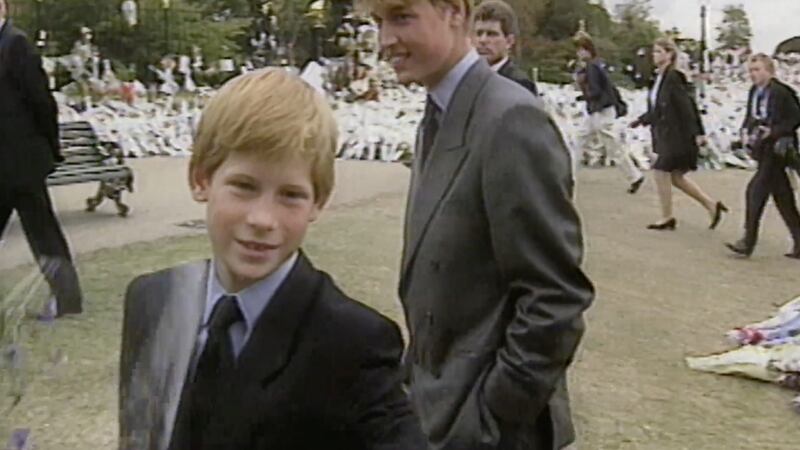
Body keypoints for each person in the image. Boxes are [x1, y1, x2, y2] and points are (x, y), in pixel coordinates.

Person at [118, 69, 426, 450]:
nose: (263, 219)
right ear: (201, 180)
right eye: (244, 187)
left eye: (291, 195)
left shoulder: (354, 342)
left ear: (318, 201)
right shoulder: (153, 300)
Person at [368, 0, 595, 448]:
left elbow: (555, 299)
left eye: (400, 17)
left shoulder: (510, 119)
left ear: (454, 12)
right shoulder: (440, 113)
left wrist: (492, 416)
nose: (385, 41)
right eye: (378, 22)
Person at [0, 0, 83, 318]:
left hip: (21, 161)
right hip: (5, 164)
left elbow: (41, 101)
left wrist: (50, 145)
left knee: (43, 231)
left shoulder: (15, 44)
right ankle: (67, 299)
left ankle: (67, 299)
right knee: (42, 230)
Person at [630, 37, 727, 231]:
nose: (654, 55)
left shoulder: (674, 77)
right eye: (654, 52)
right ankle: (711, 205)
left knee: (660, 171)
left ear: (669, 54)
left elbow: (687, 107)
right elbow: (658, 108)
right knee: (675, 177)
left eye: (659, 51)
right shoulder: (659, 78)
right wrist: (641, 120)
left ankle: (667, 217)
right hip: (667, 134)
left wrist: (698, 133)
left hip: (678, 135)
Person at [726, 54, 800, 258]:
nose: (753, 74)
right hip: (763, 148)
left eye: (757, 70)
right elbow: (751, 115)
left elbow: (795, 118)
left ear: (769, 70)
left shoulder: (782, 92)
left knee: (755, 191)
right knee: (783, 197)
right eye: (751, 70)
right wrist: (744, 132)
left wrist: (774, 131)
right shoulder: (754, 92)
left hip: (777, 149)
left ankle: (748, 241)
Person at [574, 34, 645, 194]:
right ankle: (634, 175)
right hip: (600, 110)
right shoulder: (596, 66)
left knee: (597, 142)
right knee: (587, 140)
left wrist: (583, 95)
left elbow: (596, 91)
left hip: (600, 110)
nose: (579, 53)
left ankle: (634, 175)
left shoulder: (591, 68)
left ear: (587, 51)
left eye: (581, 49)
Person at [473, 0, 537, 96]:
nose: (482, 40)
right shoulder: (465, 79)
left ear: (509, 41)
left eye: (491, 34)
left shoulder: (519, 84)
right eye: (479, 33)